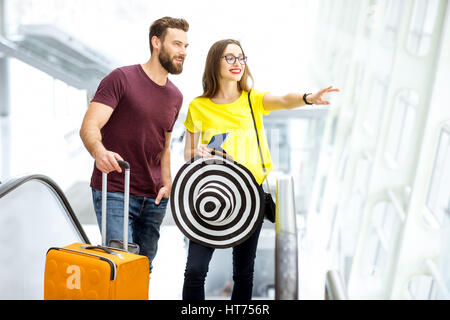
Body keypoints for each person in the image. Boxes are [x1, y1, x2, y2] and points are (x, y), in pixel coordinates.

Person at [182, 39, 339, 300]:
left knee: (244, 271)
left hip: (248, 194)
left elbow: (284, 100)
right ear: (214, 63)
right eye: (229, 58)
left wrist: (308, 98)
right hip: (211, 192)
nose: (237, 64)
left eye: (241, 58)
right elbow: (188, 152)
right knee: (195, 270)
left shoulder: (252, 100)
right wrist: (197, 152)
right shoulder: (199, 106)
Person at [79, 17, 189, 272]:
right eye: (177, 44)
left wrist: (168, 183)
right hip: (116, 188)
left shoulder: (176, 96)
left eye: (186, 46)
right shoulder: (121, 78)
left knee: (142, 270)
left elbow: (164, 147)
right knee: (120, 268)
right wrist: (99, 151)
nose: (183, 52)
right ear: (156, 43)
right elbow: (89, 126)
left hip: (153, 199)